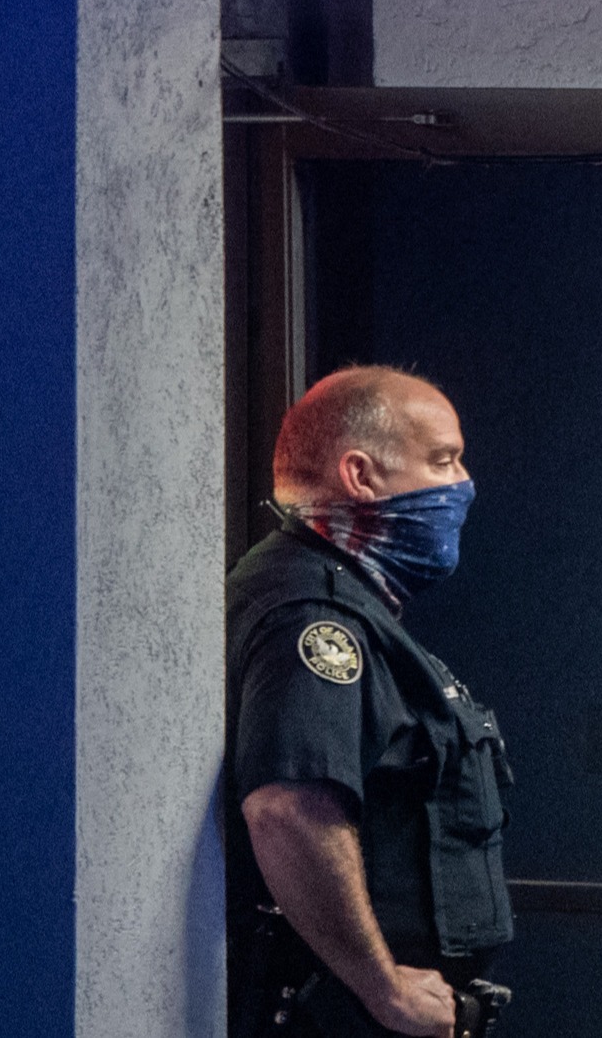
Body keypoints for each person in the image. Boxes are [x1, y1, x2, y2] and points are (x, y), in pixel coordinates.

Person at [227, 365, 515, 1036]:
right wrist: (385, 991)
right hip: (343, 1017)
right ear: (360, 475)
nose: (463, 485)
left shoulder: (353, 604)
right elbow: (289, 811)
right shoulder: (313, 615)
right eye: (442, 461)